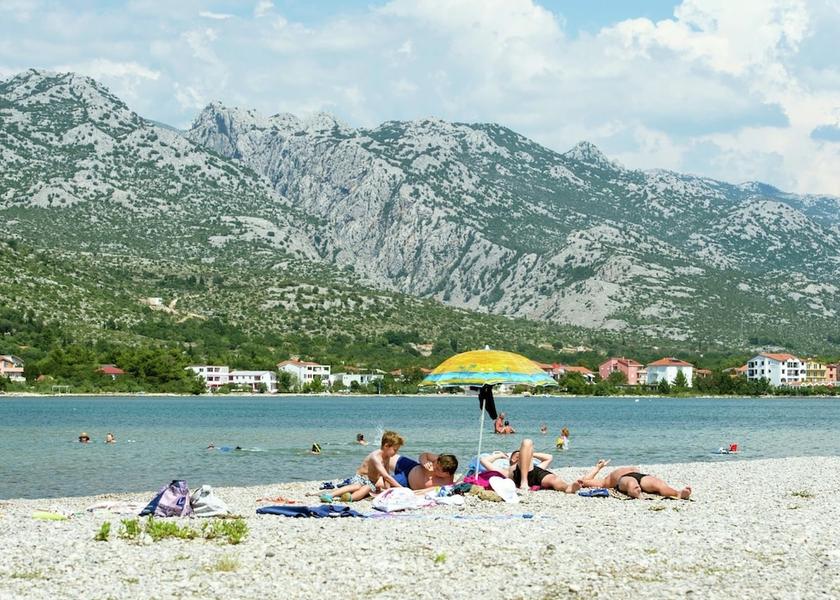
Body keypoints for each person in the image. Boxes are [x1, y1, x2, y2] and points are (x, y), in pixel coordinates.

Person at [321, 431, 405, 501]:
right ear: (386, 446)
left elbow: (386, 476)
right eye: (395, 450)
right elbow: (386, 476)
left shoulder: (387, 457)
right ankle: (330, 495)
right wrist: (401, 488)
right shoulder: (375, 457)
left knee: (368, 488)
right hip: (360, 478)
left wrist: (388, 490)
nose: (396, 452)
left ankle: (349, 498)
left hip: (371, 483)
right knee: (358, 486)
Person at [482, 439, 580, 494]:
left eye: (521, 453)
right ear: (511, 459)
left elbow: (549, 457)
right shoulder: (506, 471)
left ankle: (567, 488)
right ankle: (524, 481)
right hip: (519, 475)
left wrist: (530, 454)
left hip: (535, 472)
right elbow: (483, 460)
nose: (520, 455)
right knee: (527, 442)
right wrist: (500, 455)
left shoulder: (535, 464)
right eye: (517, 455)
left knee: (554, 479)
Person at [576, 459, 692, 499]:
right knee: (631, 484)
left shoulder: (606, 479)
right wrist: (597, 468)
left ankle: (678, 493)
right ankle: (637, 493)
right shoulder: (604, 482)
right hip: (624, 479)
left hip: (641, 476)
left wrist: (599, 468)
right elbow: (584, 481)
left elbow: (585, 480)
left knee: (658, 484)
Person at [389, 452, 458, 490]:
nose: (434, 467)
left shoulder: (445, 484)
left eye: (437, 469)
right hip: (410, 466)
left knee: (380, 482)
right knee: (386, 455)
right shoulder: (440, 460)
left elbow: (424, 492)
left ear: (446, 474)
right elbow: (424, 455)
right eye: (435, 464)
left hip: (406, 482)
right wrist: (424, 462)